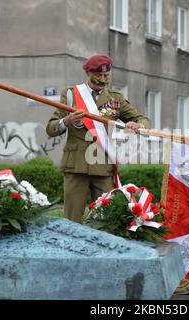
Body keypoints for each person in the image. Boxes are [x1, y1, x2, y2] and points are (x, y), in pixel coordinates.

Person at [46, 54, 150, 223]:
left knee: (105, 220)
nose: (103, 79)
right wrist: (66, 121)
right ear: (88, 74)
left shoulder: (115, 99)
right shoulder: (72, 95)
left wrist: (139, 125)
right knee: (72, 221)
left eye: (106, 75)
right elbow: (51, 128)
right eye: (98, 75)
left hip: (102, 166)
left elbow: (141, 118)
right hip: (75, 165)